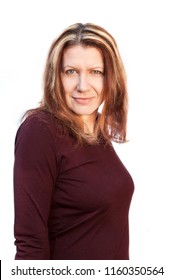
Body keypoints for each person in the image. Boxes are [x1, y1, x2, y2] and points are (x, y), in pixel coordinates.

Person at [13, 23, 134, 260]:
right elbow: (30, 242)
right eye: (71, 71)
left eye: (95, 72)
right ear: (55, 76)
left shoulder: (97, 129)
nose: (82, 86)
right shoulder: (40, 131)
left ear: (111, 78)